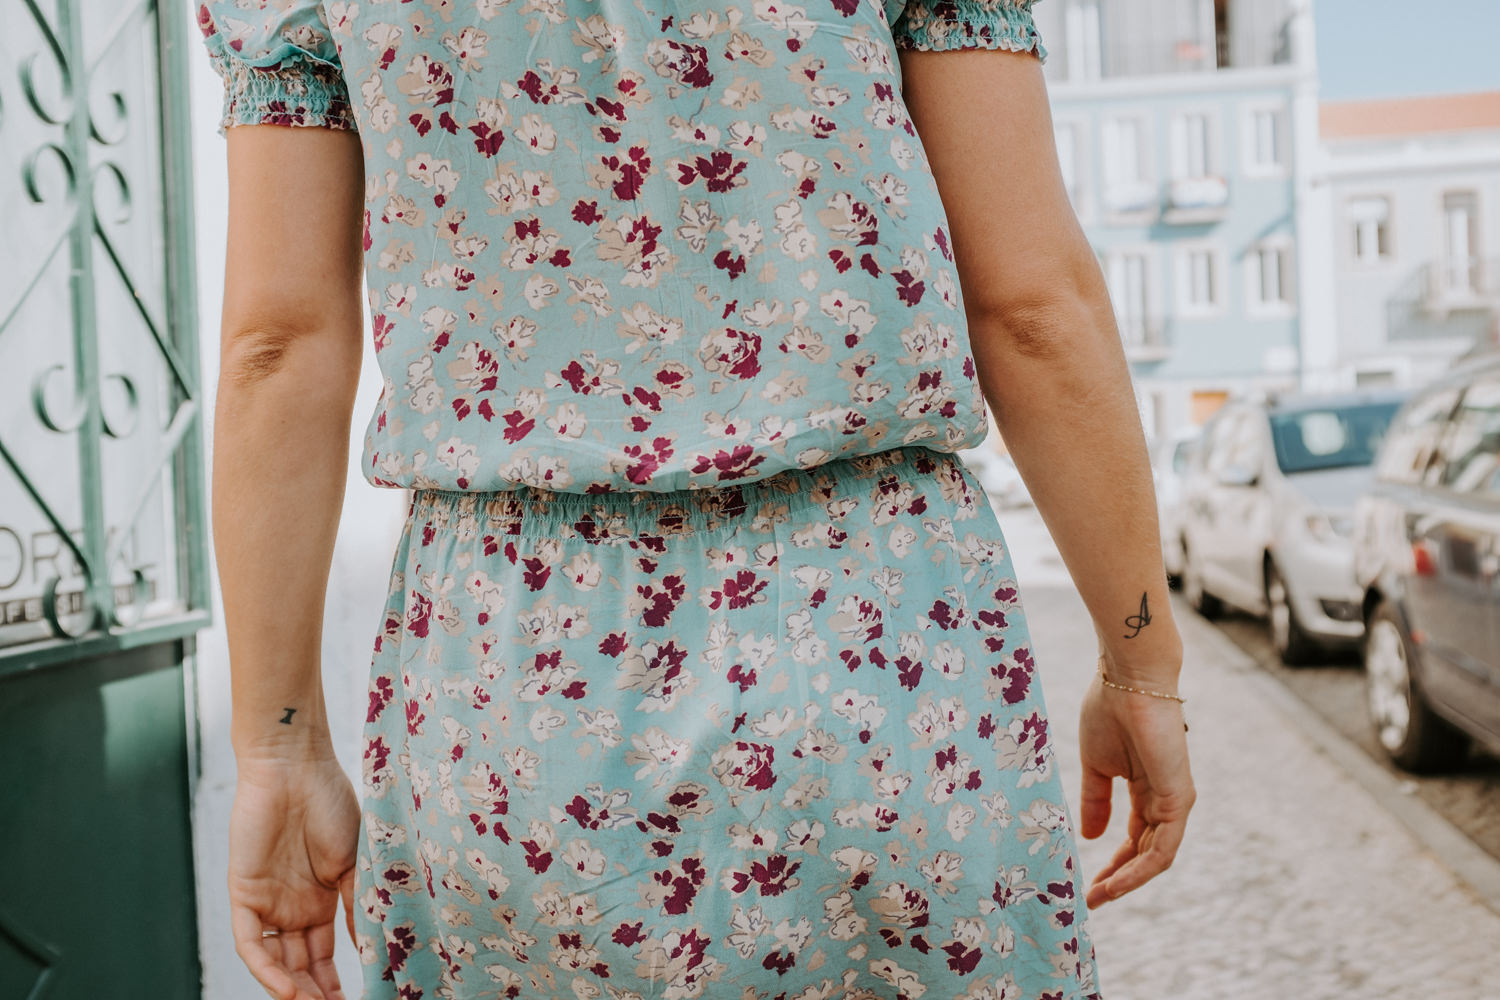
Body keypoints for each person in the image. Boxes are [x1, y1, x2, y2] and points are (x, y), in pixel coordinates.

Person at [200, 1, 1195, 998]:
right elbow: (1031, 311)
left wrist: (278, 744)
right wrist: (1140, 663)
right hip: (884, 641)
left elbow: (276, 350)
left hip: (509, 692)